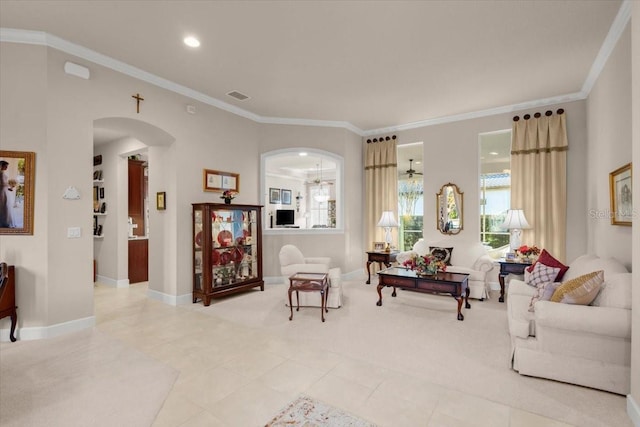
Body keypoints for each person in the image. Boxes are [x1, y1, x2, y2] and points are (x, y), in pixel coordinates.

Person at [0, 160, 11, 227]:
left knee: (5, 205)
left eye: (7, 166)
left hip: (5, 190)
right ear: (1, 166)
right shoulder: (1, 173)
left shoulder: (2, 173)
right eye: (5, 166)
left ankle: (5, 220)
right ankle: (4, 221)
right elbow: (3, 183)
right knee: (4, 205)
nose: (7, 167)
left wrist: (9, 186)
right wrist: (10, 184)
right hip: (2, 191)